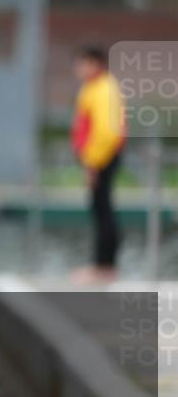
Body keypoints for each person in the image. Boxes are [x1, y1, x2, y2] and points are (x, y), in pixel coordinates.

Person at [70, 46, 126, 284]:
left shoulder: (104, 89)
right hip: (99, 158)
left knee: (103, 211)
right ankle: (103, 265)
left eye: (82, 63)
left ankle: (104, 267)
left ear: (95, 64)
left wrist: (92, 163)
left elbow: (106, 131)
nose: (78, 69)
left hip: (102, 158)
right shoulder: (94, 88)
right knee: (101, 210)